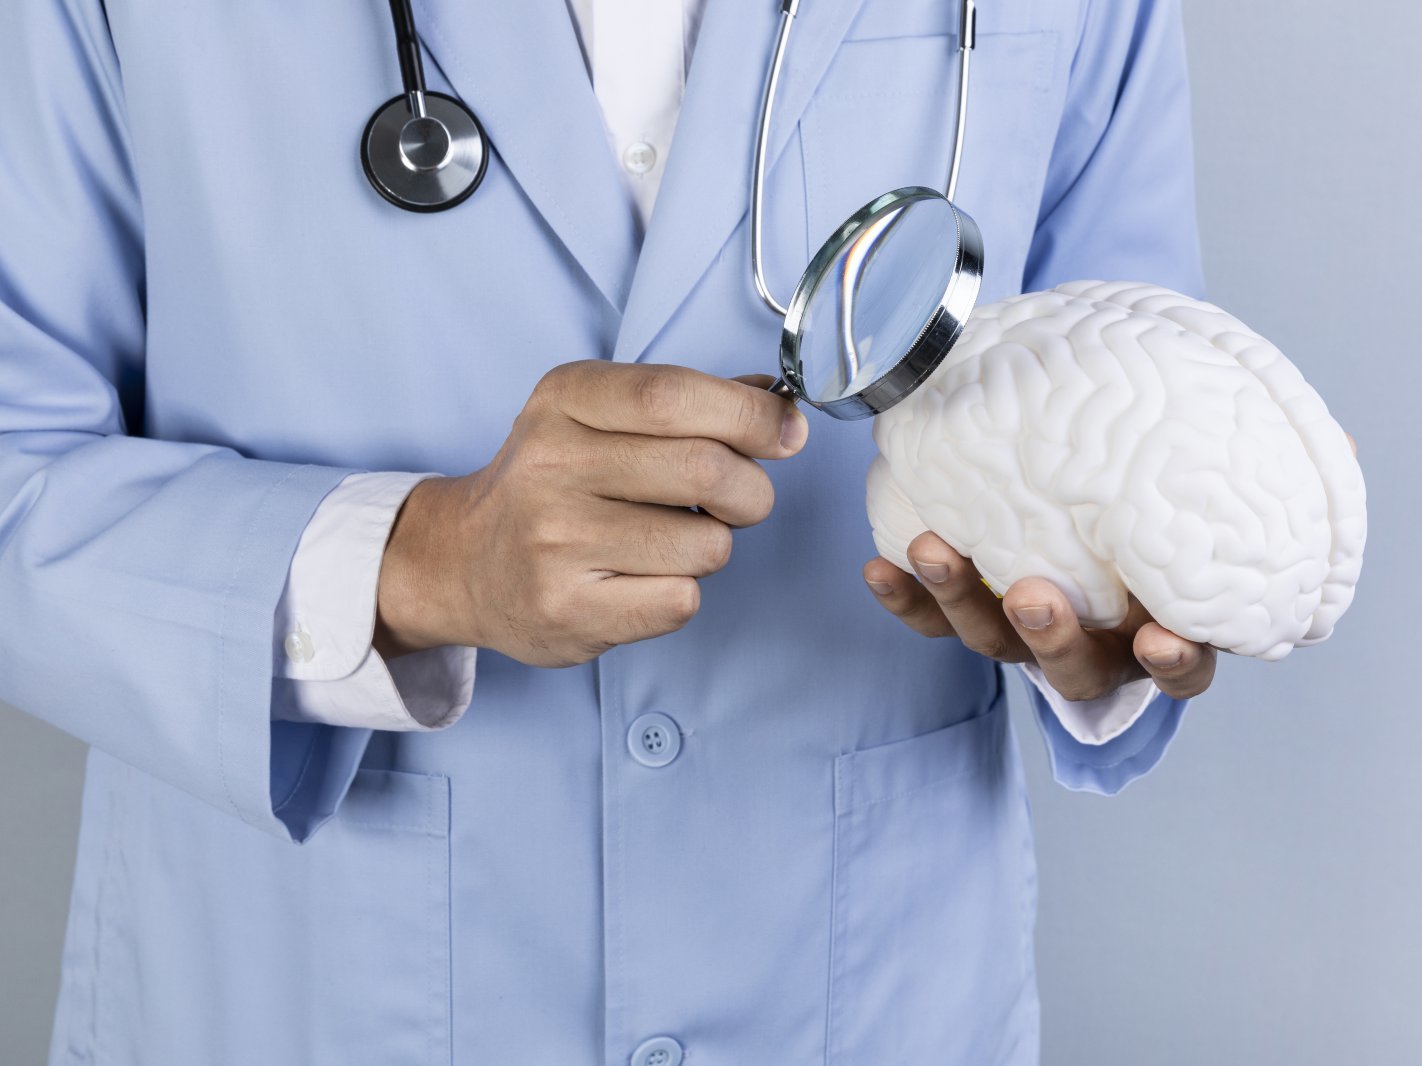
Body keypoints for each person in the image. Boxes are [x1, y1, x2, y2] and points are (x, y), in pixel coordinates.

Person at [0, 0, 1215, 1061]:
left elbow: (1142, 404)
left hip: (869, 989)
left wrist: (1112, 612)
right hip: (301, 986)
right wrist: (418, 561)